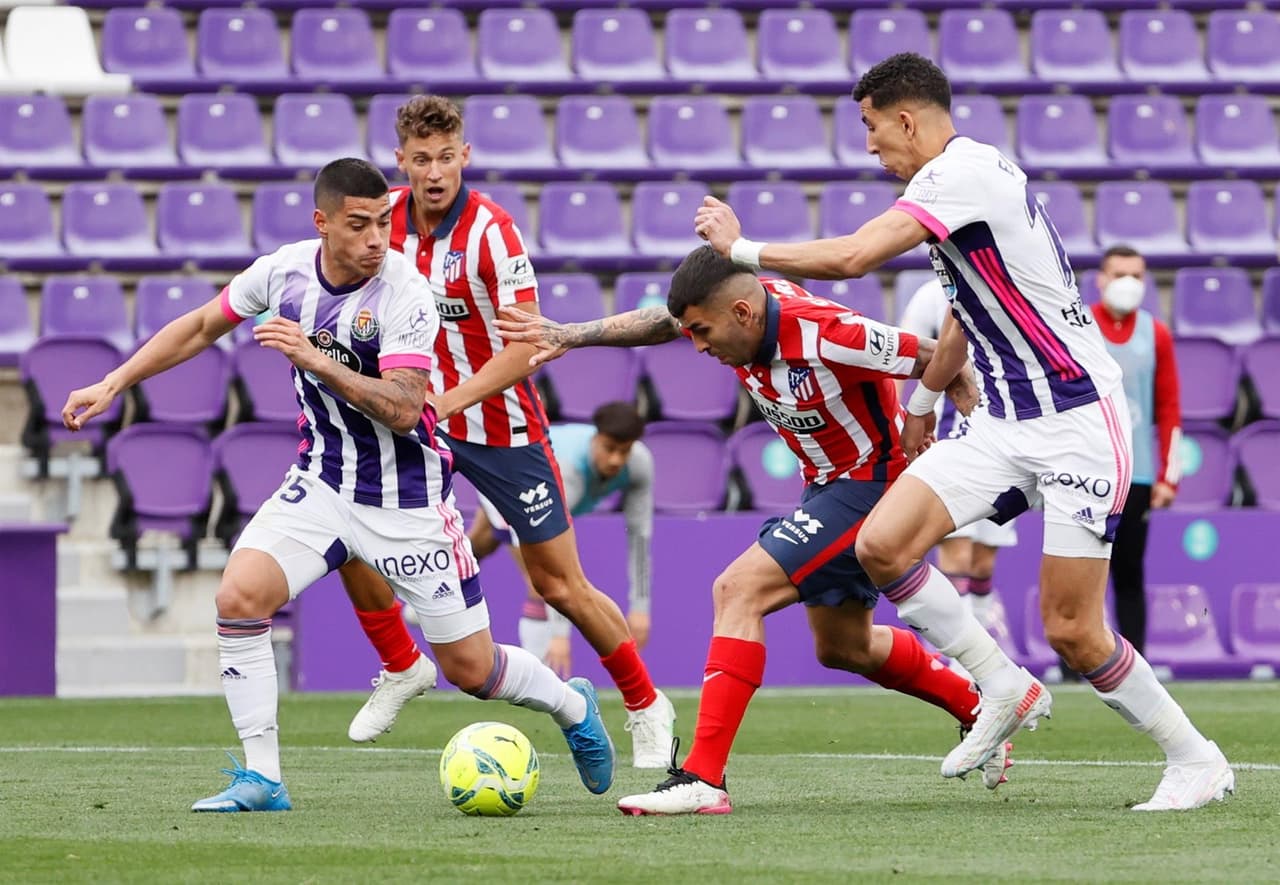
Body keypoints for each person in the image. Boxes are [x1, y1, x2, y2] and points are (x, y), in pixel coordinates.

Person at [692, 52, 1232, 810]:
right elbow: (961, 313)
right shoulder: (961, 190)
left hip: (1076, 418)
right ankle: (1002, 681)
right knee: (882, 543)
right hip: (1005, 421)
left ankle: (1194, 757)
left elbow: (849, 257)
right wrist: (922, 402)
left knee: (1073, 628)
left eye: (874, 130)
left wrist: (739, 251)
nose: (871, 148)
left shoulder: (958, 176)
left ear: (907, 119)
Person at [59, 158, 617, 811]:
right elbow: (203, 325)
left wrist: (313, 358)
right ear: (322, 223)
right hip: (322, 482)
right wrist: (115, 381)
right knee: (240, 595)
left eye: (384, 221)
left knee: (472, 669)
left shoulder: (404, 293)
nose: (378, 237)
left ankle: (570, 700)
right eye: (359, 225)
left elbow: (408, 406)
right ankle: (263, 777)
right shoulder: (285, 271)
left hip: (407, 499)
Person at [497, 246, 1013, 816]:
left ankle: (702, 777)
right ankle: (978, 703)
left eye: (702, 331)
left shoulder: (827, 333)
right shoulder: (736, 315)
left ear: (742, 313)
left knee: (737, 589)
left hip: (875, 485)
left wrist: (966, 445)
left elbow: (945, 360)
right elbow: (655, 324)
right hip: (826, 486)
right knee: (845, 647)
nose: (695, 345)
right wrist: (572, 334)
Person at [333, 95, 675, 768]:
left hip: (502, 425)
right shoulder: (383, 224)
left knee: (560, 585)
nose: (435, 172)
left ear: (466, 154)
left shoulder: (493, 232)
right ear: (401, 161)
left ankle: (644, 703)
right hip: (415, 420)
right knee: (344, 530)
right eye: (421, 159)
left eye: (447, 157)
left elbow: (528, 346)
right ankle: (402, 664)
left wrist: (448, 400)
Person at [470, 401, 655, 678]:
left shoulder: (640, 463)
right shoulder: (567, 473)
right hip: (511, 481)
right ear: (595, 438)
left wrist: (640, 608)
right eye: (609, 449)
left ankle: (438, 589)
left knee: (481, 544)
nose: (617, 459)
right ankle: (537, 677)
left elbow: (640, 538)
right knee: (540, 580)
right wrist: (559, 635)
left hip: (524, 478)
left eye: (624, 451)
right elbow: (551, 556)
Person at [898, 278, 1017, 652]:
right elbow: (906, 355)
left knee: (982, 564)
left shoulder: (1007, 289)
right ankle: (962, 661)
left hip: (1003, 443)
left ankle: (979, 649)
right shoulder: (930, 296)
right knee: (956, 552)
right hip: (949, 441)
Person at [1091, 245, 1181, 656]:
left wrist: (1169, 475)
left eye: (1137, 276)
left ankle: (1134, 662)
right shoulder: (1081, 326)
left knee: (1129, 574)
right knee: (1079, 575)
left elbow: (1168, 406)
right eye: (1120, 274)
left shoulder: (1155, 332)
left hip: (1139, 473)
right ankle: (1076, 662)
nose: (1128, 283)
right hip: (1087, 471)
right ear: (1101, 279)